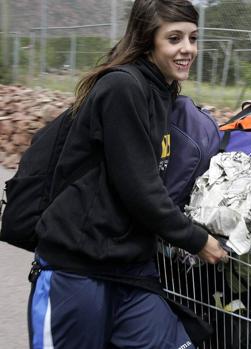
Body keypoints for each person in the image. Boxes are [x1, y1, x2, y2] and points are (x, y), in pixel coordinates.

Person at [28, 1, 227, 348]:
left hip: (131, 270)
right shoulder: (123, 88)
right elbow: (140, 189)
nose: (188, 49)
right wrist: (197, 241)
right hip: (77, 269)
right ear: (148, 40)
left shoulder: (163, 92)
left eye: (193, 38)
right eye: (174, 38)